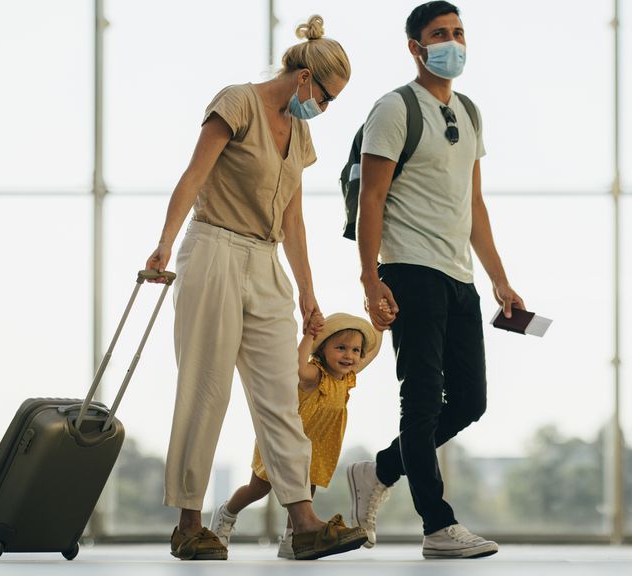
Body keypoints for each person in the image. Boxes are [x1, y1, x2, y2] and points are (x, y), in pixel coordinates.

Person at [145, 15, 367, 561]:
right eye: (327, 97)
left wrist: (307, 290)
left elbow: (293, 215)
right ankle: (189, 523)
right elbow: (194, 175)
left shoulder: (301, 132)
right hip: (213, 248)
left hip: (266, 262)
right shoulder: (238, 102)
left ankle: (304, 522)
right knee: (206, 387)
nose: (326, 108)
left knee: (281, 395)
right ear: (302, 78)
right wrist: (164, 244)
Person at [347, 1, 525, 559]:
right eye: (439, 34)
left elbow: (473, 203)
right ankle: (437, 526)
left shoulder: (469, 112)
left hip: (458, 275)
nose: (453, 42)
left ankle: (376, 471)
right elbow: (371, 199)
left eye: (458, 32)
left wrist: (501, 280)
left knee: (470, 401)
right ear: (415, 47)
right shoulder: (394, 109)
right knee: (421, 401)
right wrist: (371, 279)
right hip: (410, 270)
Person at [209, 312, 382, 559]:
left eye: (355, 350)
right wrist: (309, 336)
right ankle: (227, 513)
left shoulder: (347, 378)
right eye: (341, 348)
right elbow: (298, 368)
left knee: (307, 489)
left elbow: (371, 353)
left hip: (319, 444)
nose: (349, 355)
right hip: (285, 442)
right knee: (258, 488)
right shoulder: (316, 374)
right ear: (322, 349)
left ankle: (293, 538)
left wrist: (381, 327)